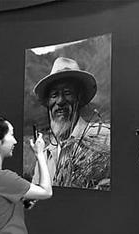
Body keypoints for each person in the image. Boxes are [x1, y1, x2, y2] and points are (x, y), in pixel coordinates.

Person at [31, 57, 110, 190]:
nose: (60, 101)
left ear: (79, 98)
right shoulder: (45, 155)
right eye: (54, 95)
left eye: (67, 93)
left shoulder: (103, 138)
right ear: (48, 103)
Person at [0, 115, 52, 234]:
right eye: (11, 135)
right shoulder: (1, 178)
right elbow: (46, 191)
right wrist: (40, 154)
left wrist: (20, 200)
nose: (15, 141)